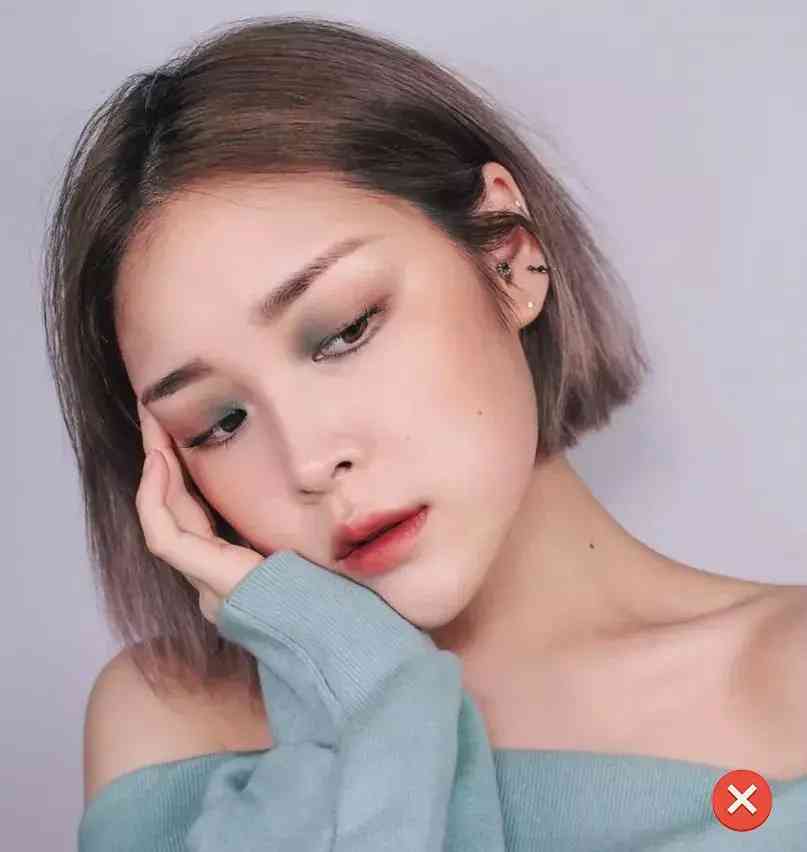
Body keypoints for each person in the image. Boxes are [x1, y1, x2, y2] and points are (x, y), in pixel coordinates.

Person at [41, 14, 806, 851]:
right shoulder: (171, 729)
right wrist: (368, 686)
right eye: (219, 423)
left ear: (507, 258)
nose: (309, 460)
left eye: (345, 331)